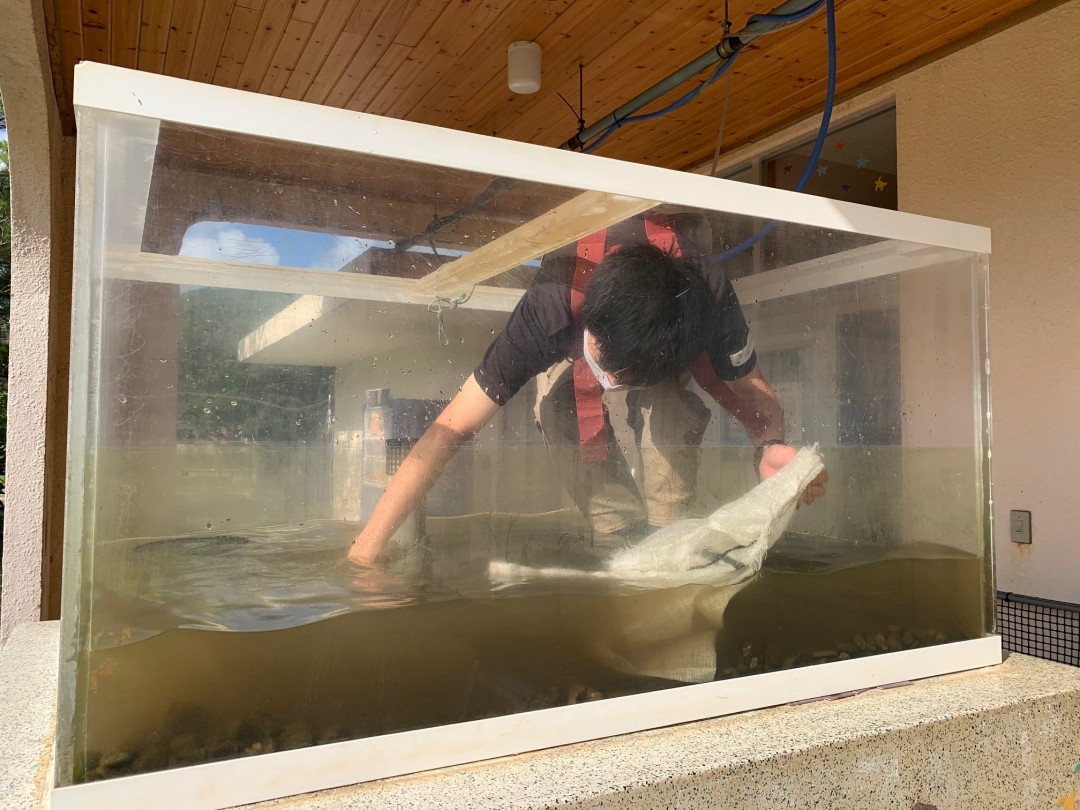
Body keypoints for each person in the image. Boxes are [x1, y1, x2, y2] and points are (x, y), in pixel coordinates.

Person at [349, 212, 827, 566]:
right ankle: (616, 532)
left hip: (661, 332)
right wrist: (364, 557)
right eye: (609, 369)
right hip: (583, 314)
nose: (614, 387)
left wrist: (771, 444)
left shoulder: (709, 296)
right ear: (588, 330)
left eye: (627, 379)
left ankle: (668, 540)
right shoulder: (548, 310)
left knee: (670, 411)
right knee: (556, 406)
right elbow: (448, 430)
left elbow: (754, 386)